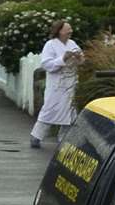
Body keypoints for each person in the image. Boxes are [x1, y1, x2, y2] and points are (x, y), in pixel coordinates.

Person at [31, 20, 82, 149]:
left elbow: (82, 60)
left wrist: (79, 58)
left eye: (71, 29)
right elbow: (47, 65)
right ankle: (36, 136)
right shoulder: (50, 45)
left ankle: (64, 139)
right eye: (67, 29)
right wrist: (63, 59)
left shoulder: (72, 43)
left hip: (70, 84)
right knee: (49, 110)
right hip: (56, 86)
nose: (70, 31)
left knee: (69, 112)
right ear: (60, 31)